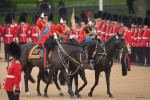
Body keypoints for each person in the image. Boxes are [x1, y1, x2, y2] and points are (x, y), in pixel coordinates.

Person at [36, 2, 57, 69]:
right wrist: (40, 17)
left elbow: (53, 31)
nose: (46, 16)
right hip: (43, 39)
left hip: (49, 39)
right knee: (45, 49)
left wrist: (55, 35)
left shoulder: (49, 23)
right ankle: (45, 64)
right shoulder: (41, 22)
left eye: (47, 15)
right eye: (45, 15)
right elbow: (37, 24)